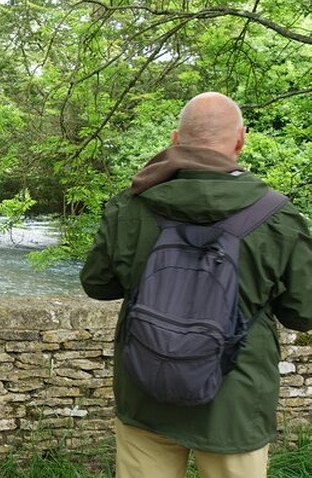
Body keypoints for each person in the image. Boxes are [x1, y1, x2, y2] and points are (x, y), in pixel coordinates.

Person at [80, 92, 312, 478]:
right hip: (234, 399)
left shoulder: (131, 205)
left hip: (145, 387)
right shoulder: (277, 216)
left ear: (175, 140)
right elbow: (303, 313)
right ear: (240, 140)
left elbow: (97, 284)